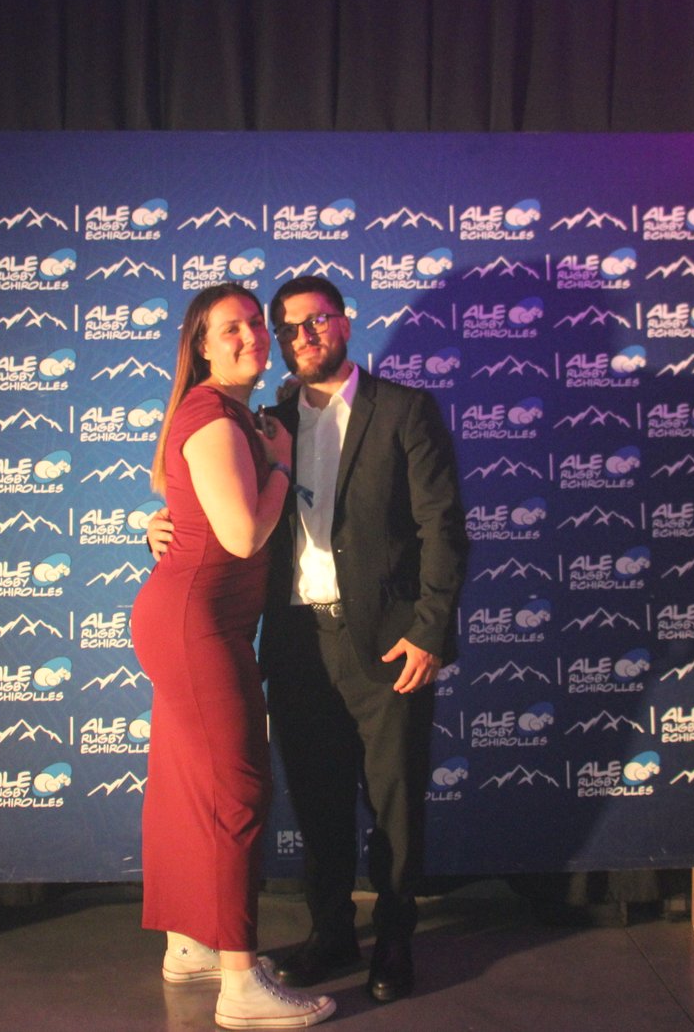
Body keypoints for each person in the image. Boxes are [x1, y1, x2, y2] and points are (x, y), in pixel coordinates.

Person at [149, 275, 468, 1004]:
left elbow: (443, 528)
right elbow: (213, 503)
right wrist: (158, 527)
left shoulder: (404, 410)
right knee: (318, 803)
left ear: (344, 323)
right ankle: (331, 933)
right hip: (296, 642)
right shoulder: (266, 419)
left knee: (395, 804)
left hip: (388, 643)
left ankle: (395, 938)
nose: (303, 336)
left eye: (317, 320)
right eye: (288, 326)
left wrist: (428, 632)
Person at [130, 282, 336, 1030]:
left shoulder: (231, 413)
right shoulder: (215, 414)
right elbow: (244, 534)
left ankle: (191, 945)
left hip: (195, 621)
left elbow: (188, 505)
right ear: (202, 346)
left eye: (255, 324)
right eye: (232, 329)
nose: (251, 336)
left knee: (190, 789)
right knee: (235, 793)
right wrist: (280, 468)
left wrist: (165, 524)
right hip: (198, 627)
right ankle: (241, 985)